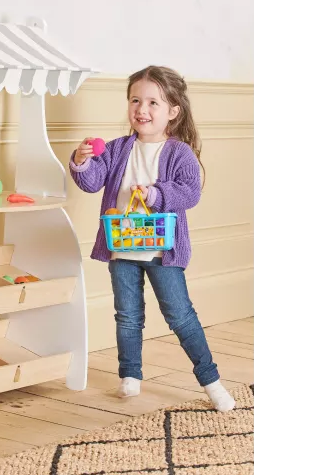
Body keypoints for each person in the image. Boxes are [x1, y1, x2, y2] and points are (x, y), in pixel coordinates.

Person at [69, 65, 235, 412]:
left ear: (173, 111)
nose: (141, 109)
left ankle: (211, 380)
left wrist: (156, 194)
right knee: (127, 316)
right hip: (122, 248)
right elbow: (92, 182)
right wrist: (82, 162)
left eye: (152, 103)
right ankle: (130, 375)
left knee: (180, 316)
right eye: (135, 100)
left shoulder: (179, 153)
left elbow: (190, 192)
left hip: (162, 251)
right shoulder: (116, 149)